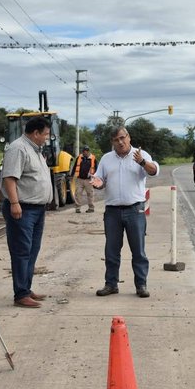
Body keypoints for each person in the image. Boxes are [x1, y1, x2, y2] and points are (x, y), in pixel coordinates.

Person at [90, 126, 159, 298]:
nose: (120, 142)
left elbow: (154, 171)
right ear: (112, 142)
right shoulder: (106, 159)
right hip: (112, 211)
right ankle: (111, 284)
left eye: (123, 138)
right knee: (111, 250)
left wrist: (142, 162)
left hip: (135, 210)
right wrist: (98, 183)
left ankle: (141, 285)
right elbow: (100, 179)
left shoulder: (141, 155)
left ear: (129, 137)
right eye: (116, 140)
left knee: (138, 251)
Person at [0, 116, 53, 308]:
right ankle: (20, 294)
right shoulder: (18, 148)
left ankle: (26, 288)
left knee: (32, 250)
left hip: (37, 209)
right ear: (36, 133)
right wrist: (14, 203)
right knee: (21, 251)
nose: (47, 138)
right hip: (23, 209)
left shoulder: (35, 150)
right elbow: (10, 178)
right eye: (45, 134)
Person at [72, 145, 97, 213]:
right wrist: (72, 175)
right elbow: (75, 166)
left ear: (88, 151)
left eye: (86, 151)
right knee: (78, 193)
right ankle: (78, 208)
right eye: (83, 151)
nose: (84, 153)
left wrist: (95, 178)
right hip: (79, 179)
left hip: (89, 180)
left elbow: (96, 169)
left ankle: (91, 208)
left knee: (90, 194)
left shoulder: (93, 158)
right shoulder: (79, 158)